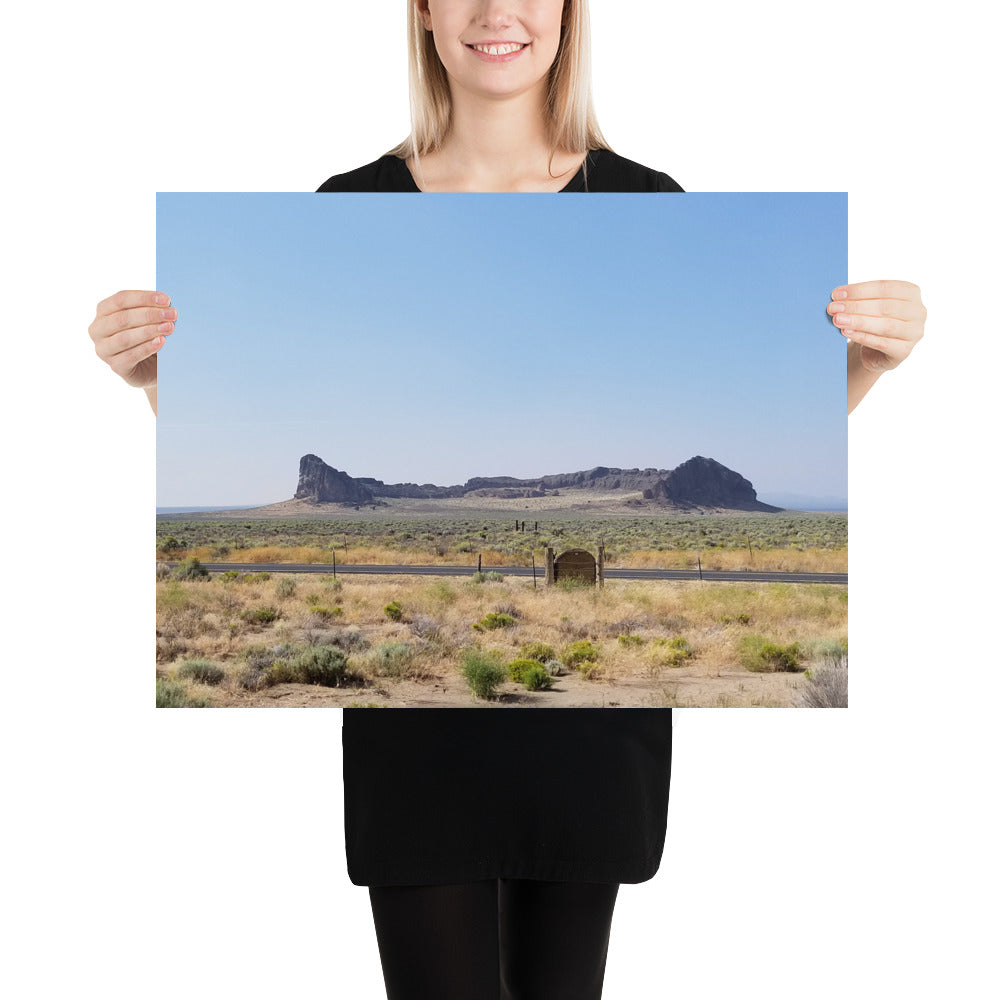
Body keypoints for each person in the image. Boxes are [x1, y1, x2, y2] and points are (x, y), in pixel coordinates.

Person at [88, 3, 925, 998]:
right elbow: (274, 394)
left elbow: (761, 424)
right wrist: (149, 379)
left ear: (569, 14)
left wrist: (865, 368)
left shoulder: (648, 199)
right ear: (425, 14)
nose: (497, 11)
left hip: (591, 748)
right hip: (418, 752)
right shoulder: (346, 202)